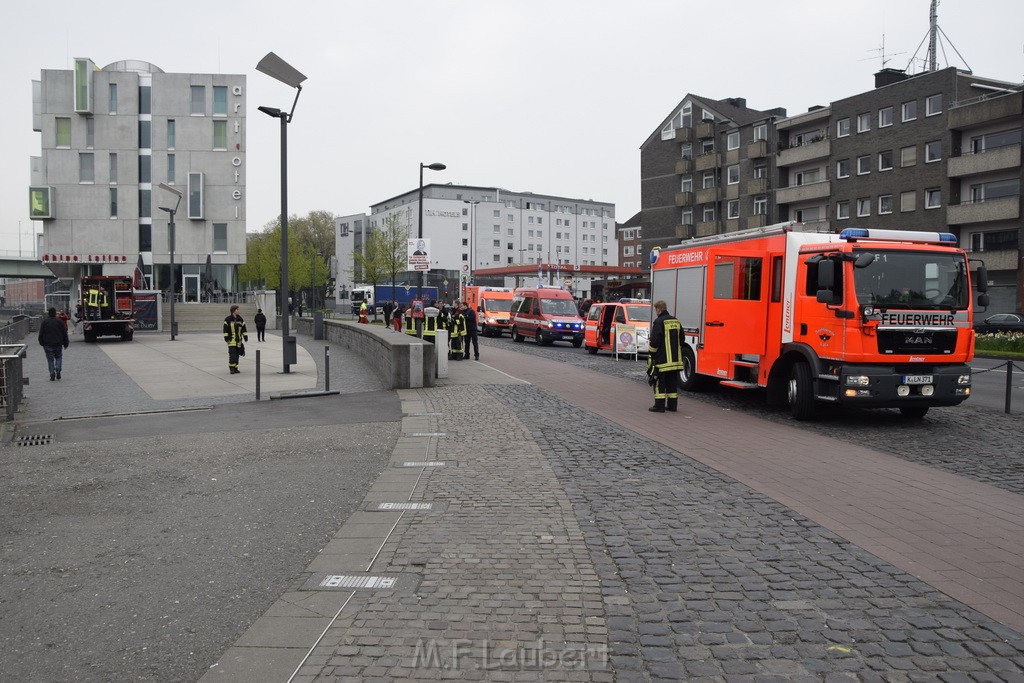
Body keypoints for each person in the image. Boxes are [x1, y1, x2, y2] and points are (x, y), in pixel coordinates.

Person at [646, 300, 684, 413]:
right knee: (672, 383)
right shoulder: (676, 321)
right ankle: (672, 406)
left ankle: (659, 406)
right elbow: (682, 339)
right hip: (675, 361)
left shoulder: (659, 322)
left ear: (658, 309)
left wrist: (651, 354)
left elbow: (655, 342)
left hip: (662, 360)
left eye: (656, 309)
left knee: (659, 383)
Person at [38, 307, 69, 381]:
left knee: (50, 360)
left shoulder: (45, 322)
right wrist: (66, 343)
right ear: (55, 313)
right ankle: (58, 370)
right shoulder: (60, 322)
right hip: (58, 344)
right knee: (59, 357)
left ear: (48, 313)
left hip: (47, 344)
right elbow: (64, 333)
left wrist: (42, 343)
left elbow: (41, 334)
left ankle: (52, 374)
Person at [223, 304, 248, 374]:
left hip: (239, 341)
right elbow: (225, 330)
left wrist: (245, 336)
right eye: (237, 309)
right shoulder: (228, 319)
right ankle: (231, 368)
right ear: (233, 311)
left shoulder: (240, 319)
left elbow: (244, 328)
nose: (238, 311)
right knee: (232, 355)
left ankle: (236, 368)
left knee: (237, 355)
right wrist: (226, 337)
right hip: (231, 341)